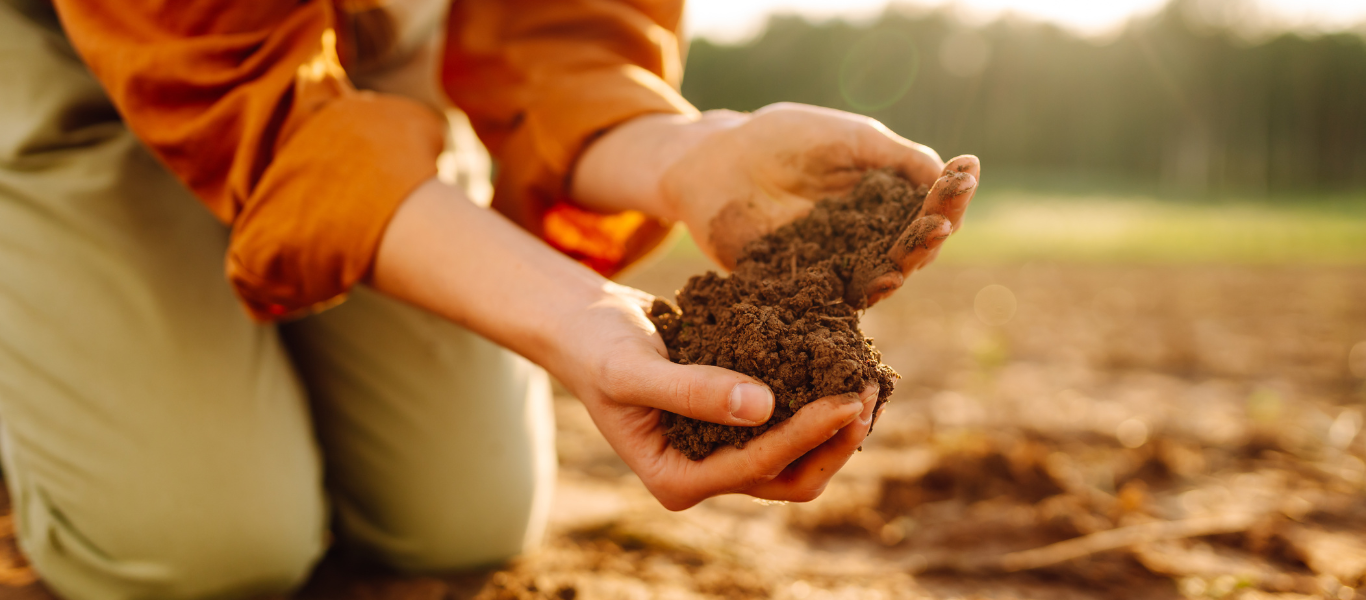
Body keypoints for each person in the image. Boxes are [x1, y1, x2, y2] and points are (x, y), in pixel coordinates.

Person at [0, 0, 979, 597]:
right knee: (198, 552)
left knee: (460, 518)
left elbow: (556, 36)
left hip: (373, 64)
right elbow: (247, 100)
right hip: (101, 62)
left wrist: (687, 155)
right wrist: (569, 318)